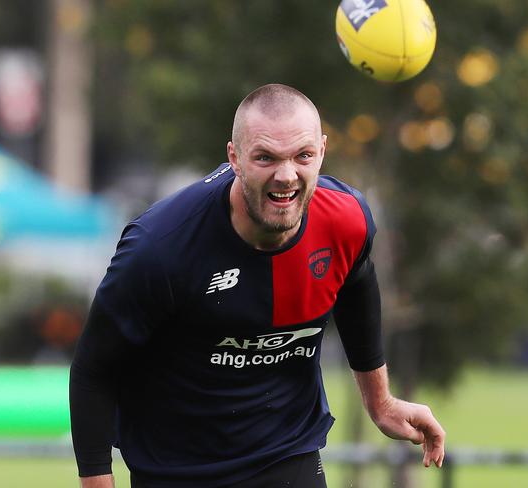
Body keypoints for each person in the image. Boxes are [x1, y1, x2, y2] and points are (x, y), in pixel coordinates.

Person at [69, 83, 445, 488]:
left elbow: (357, 283)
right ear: (234, 157)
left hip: (287, 453)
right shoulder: (160, 248)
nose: (286, 177)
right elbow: (94, 370)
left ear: (322, 150)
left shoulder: (346, 220)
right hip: (176, 469)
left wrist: (381, 402)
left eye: (302, 156)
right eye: (265, 158)